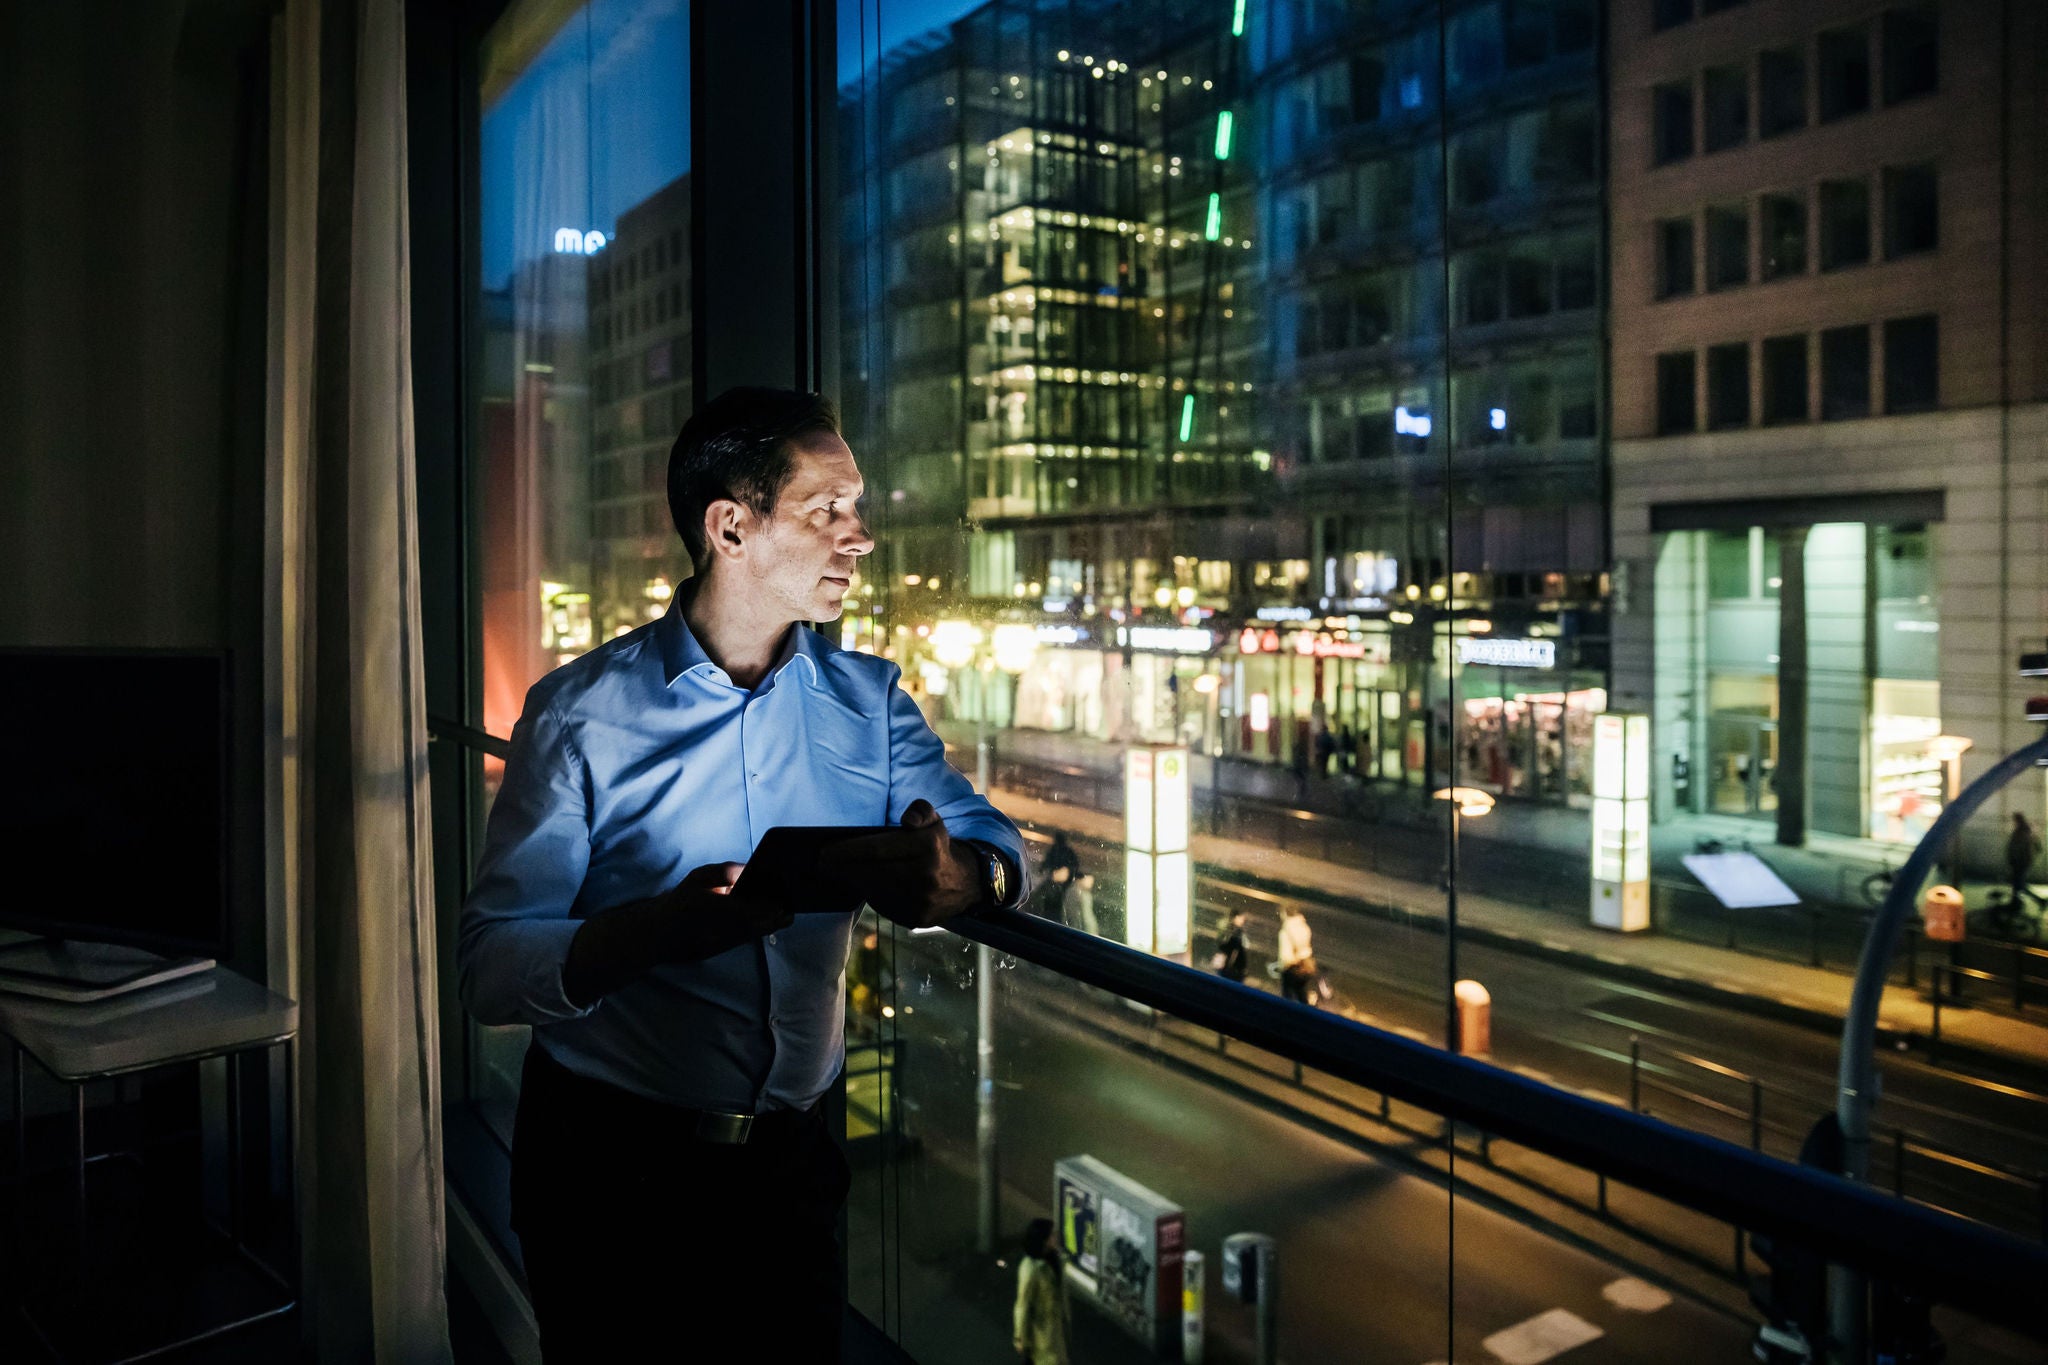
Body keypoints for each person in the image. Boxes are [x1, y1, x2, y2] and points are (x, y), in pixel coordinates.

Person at [458, 387, 1030, 1364]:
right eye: (828, 510)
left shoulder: (870, 704)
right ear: (730, 525)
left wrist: (964, 879)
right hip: (609, 1170)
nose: (860, 538)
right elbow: (488, 967)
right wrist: (648, 934)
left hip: (794, 1171)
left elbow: (990, 841)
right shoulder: (578, 716)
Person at [1013, 1217, 1071, 1365]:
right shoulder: (1031, 1269)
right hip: (1041, 1333)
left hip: (1055, 1327)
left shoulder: (1053, 1258)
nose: (1056, 1237)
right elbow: (1022, 1306)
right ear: (1043, 1240)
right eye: (1052, 1235)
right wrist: (1020, 1339)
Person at [1277, 905, 1318, 1006]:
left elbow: (1286, 955)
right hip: (1305, 966)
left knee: (1287, 996)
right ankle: (1307, 1014)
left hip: (1291, 967)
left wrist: (1283, 966)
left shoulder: (1285, 931)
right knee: (1301, 994)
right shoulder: (1304, 927)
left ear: (1285, 914)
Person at [2008, 813, 2044, 911]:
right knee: (2017, 883)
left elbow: (2016, 848)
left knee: (2019, 884)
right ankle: (2016, 902)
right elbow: (2038, 847)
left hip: (2020, 862)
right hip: (2023, 861)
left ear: (2017, 820)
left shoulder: (2021, 831)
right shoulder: (2027, 830)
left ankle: (2038, 900)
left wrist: (2016, 858)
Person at [1211, 910, 1250, 985]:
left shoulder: (1236, 931)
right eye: (1241, 918)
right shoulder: (1233, 930)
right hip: (1230, 969)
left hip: (1230, 968)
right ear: (1236, 917)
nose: (1243, 920)